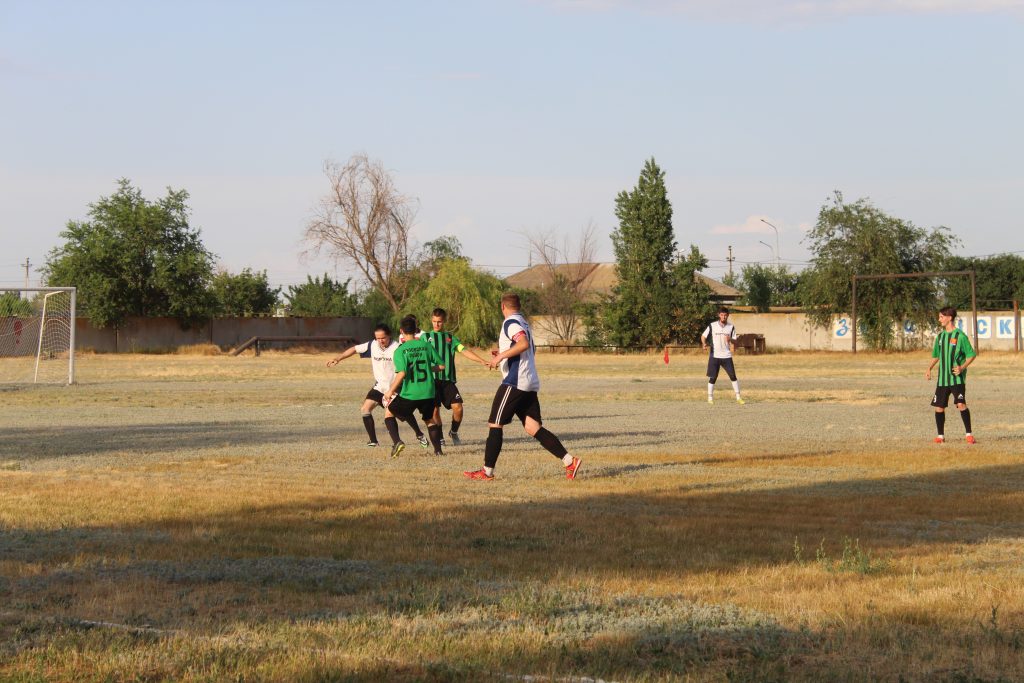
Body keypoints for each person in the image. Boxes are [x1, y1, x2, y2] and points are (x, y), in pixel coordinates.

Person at [463, 292, 581, 481]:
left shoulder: (510, 323)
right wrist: (504, 352)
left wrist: (501, 356)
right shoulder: (524, 322)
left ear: (503, 307)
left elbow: (523, 344)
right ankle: (569, 461)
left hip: (515, 382)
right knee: (533, 427)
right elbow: (528, 348)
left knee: (495, 423)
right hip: (529, 381)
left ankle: (486, 472)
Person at [326, 324, 430, 450]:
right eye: (378, 338)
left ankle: (419, 435)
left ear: (389, 335)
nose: (380, 341)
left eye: (383, 338)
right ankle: (374, 441)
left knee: (402, 414)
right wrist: (338, 358)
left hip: (394, 388)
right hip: (379, 387)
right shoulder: (372, 345)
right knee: (365, 409)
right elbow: (354, 349)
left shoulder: (397, 348)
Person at [421, 307, 488, 446]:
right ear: (431, 320)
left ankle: (454, 432)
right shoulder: (425, 337)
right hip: (431, 380)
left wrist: (481, 360)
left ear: (444, 321)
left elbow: (464, 351)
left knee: (458, 408)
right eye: (434, 321)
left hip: (447, 381)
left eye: (439, 322)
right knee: (434, 410)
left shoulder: (450, 338)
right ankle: (439, 437)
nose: (436, 324)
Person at [382, 316, 446, 457]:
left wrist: (390, 391)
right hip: (428, 392)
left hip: (410, 393)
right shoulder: (426, 345)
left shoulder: (400, 350)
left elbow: (402, 373)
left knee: (389, 412)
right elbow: (441, 366)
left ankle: (397, 442)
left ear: (401, 331)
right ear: (416, 330)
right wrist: (430, 369)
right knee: (429, 420)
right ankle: (438, 451)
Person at [926, 306, 977, 444]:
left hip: (957, 379)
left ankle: (969, 434)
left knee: (961, 404)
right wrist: (929, 368)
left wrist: (962, 367)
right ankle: (940, 436)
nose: (939, 319)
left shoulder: (960, 336)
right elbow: (936, 355)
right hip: (942, 380)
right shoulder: (941, 336)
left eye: (941, 317)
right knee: (939, 407)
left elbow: (971, 355)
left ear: (949, 317)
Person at [701, 306, 744, 404]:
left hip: (726, 356)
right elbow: (703, 336)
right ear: (719, 315)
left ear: (728, 316)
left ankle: (738, 397)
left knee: (733, 376)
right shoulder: (712, 326)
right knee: (713, 377)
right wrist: (704, 343)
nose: (723, 317)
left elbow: (735, 341)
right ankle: (710, 398)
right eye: (722, 315)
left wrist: (730, 340)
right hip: (715, 356)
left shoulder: (731, 327)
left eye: (725, 315)